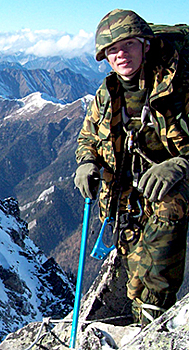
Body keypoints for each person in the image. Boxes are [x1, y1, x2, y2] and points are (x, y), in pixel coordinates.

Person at [74, 9, 189, 325]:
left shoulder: (181, 83)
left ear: (146, 44)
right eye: (112, 50)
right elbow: (89, 137)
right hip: (129, 195)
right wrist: (86, 163)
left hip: (176, 184)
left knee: (170, 202)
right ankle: (142, 316)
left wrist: (180, 164)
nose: (120, 54)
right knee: (136, 270)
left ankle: (154, 316)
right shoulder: (108, 95)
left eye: (128, 45)